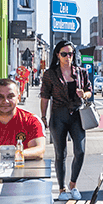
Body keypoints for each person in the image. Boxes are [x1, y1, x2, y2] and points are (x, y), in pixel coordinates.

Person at [38, 40, 93, 192]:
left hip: (77, 115)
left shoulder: (81, 72)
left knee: (80, 151)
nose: (68, 57)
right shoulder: (50, 74)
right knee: (60, 154)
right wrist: (43, 116)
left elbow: (89, 90)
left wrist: (85, 94)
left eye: (70, 54)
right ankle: (62, 188)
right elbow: (45, 96)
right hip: (58, 115)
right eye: (64, 54)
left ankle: (73, 184)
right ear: (57, 55)